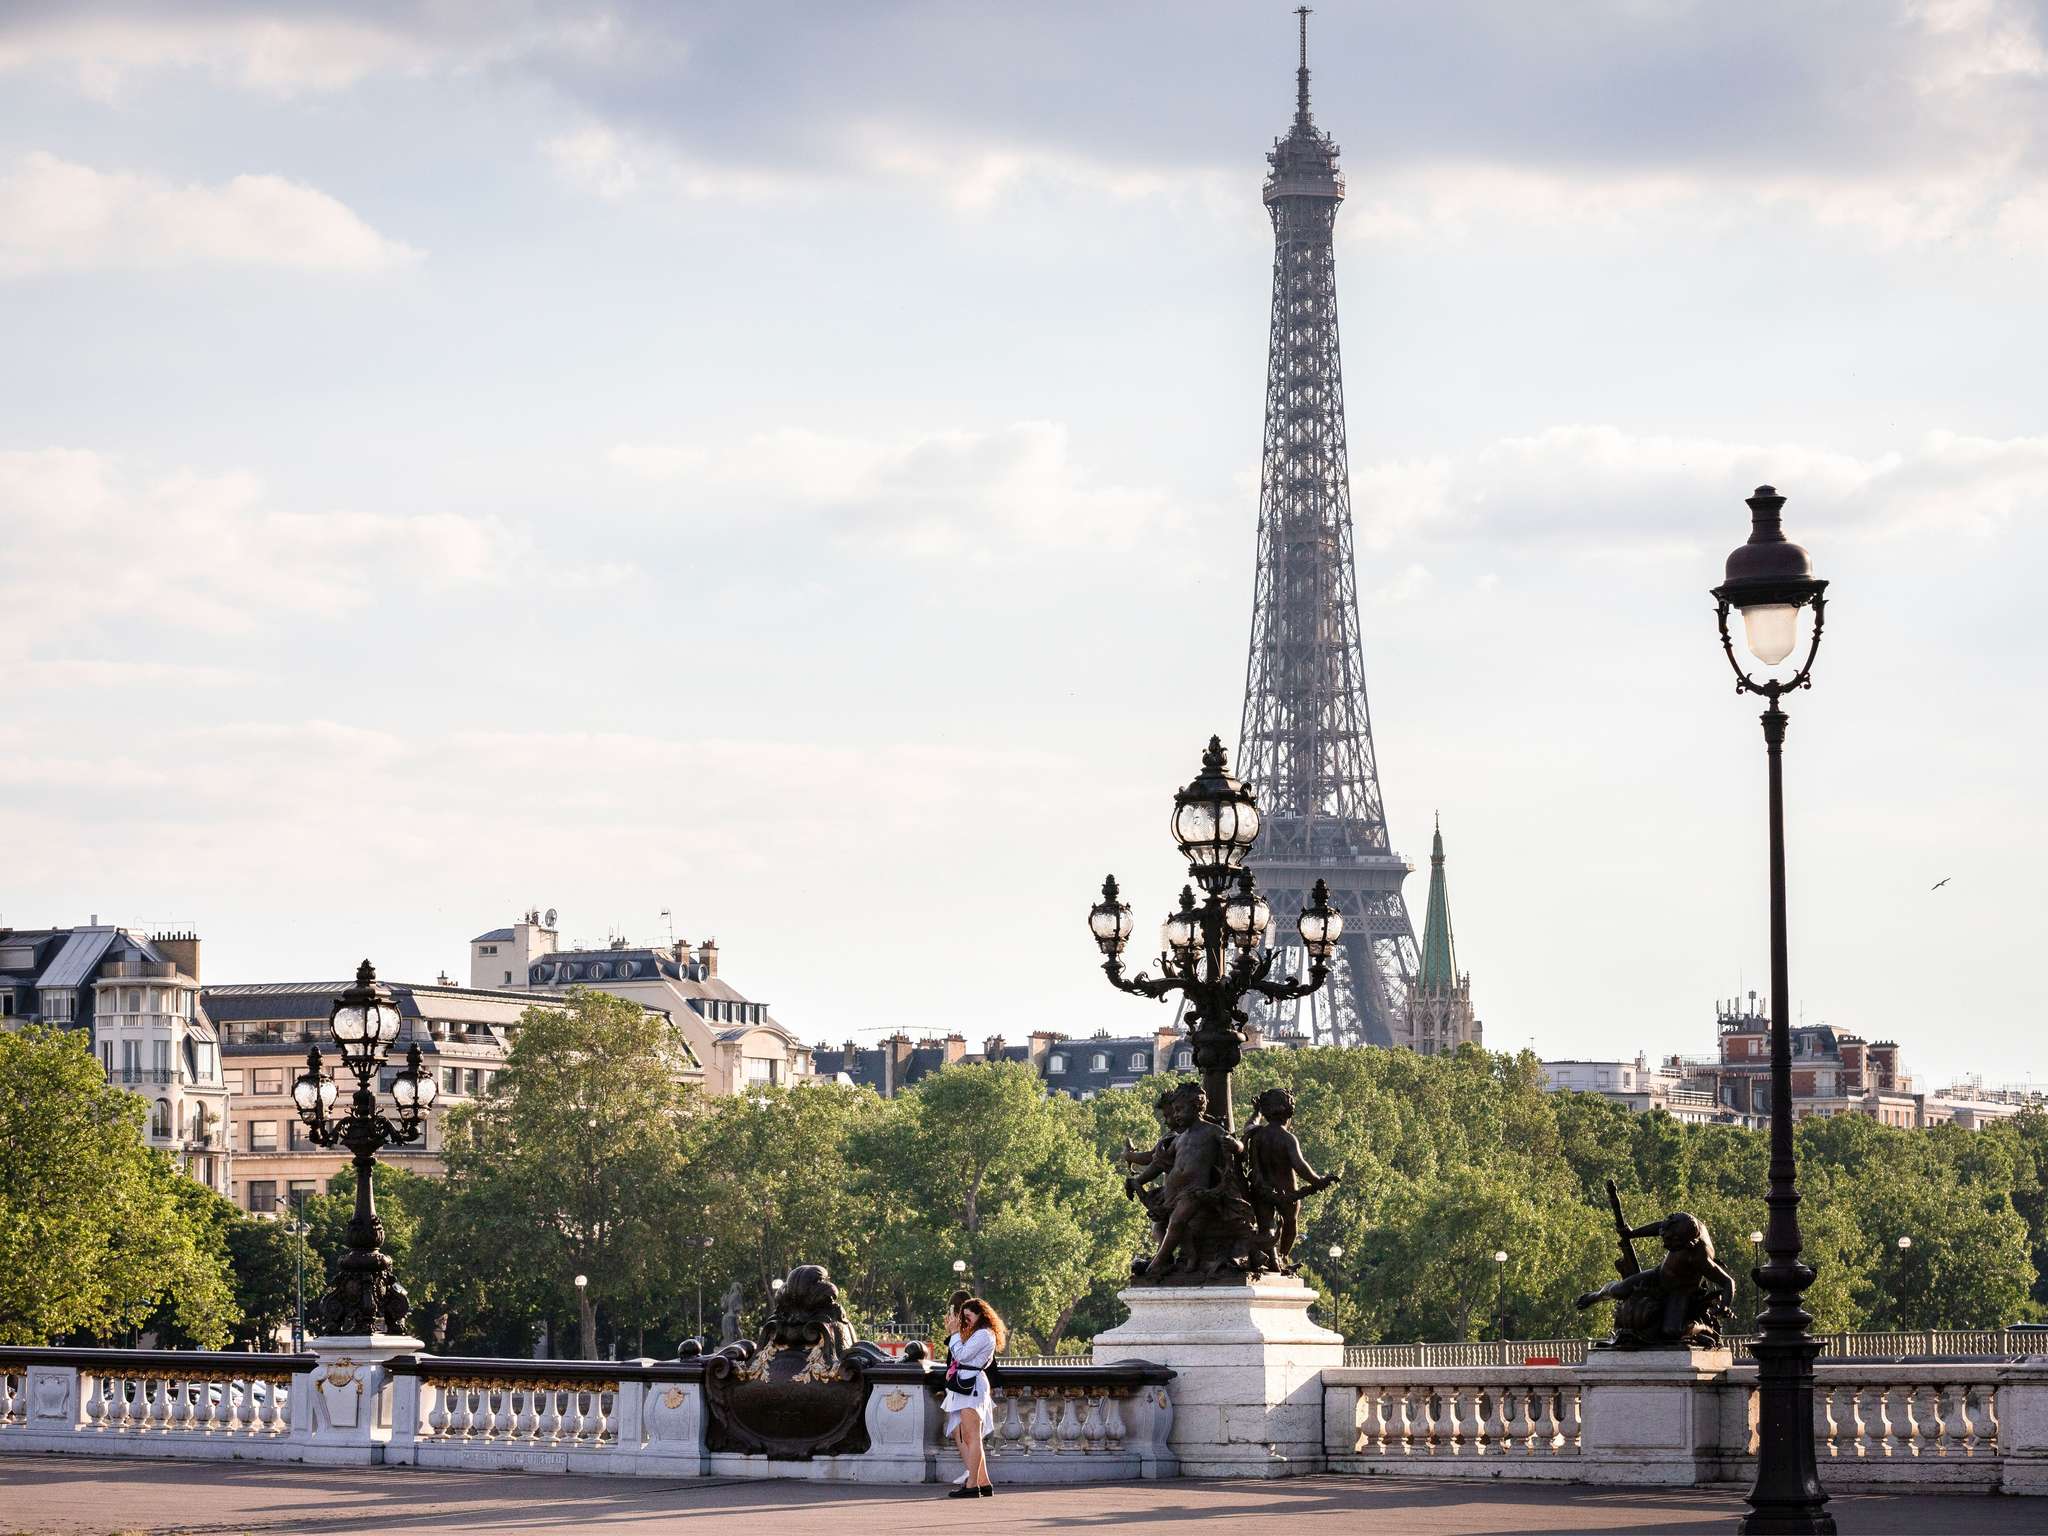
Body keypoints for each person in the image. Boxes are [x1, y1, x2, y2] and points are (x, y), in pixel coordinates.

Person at [940, 1294, 1006, 1498]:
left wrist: (954, 1333)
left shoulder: (984, 1334)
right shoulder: (981, 1333)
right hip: (970, 1385)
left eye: (968, 1317)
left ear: (980, 1315)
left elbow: (961, 1355)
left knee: (973, 1437)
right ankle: (983, 1482)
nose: (966, 1321)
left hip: (972, 1387)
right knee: (970, 1437)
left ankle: (972, 1485)